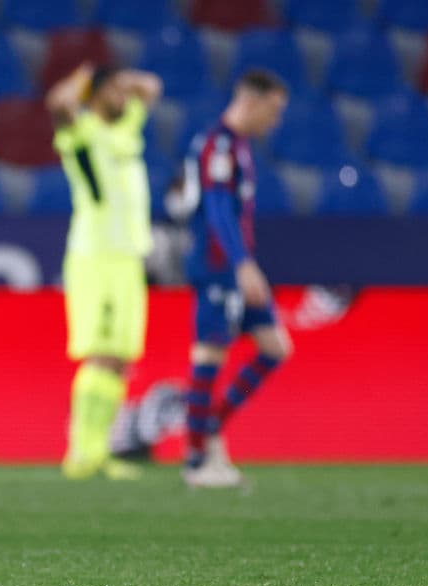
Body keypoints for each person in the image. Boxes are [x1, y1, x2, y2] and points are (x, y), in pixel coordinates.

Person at [46, 63, 163, 481]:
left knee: (120, 359)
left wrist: (120, 80)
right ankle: (80, 451)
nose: (123, 96)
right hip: (95, 256)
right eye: (112, 90)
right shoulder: (82, 131)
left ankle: (99, 450)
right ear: (94, 96)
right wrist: (85, 78)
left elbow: (152, 86)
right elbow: (58, 104)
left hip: (129, 257)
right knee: (99, 354)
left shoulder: (125, 127)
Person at [181, 69, 292, 488]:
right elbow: (217, 209)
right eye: (274, 110)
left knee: (274, 347)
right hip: (218, 264)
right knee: (209, 353)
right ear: (252, 100)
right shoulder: (218, 145)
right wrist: (242, 263)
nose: (275, 120)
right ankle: (196, 460)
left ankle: (208, 434)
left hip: (236, 264)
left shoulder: (240, 147)